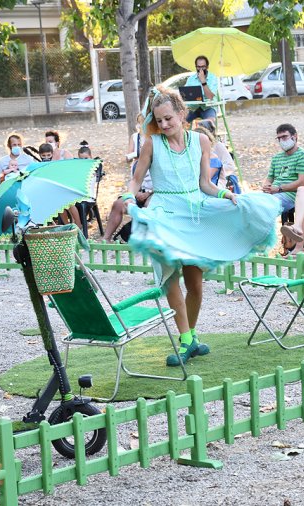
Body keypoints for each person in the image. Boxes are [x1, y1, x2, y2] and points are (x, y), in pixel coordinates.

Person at [124, 88, 280, 366]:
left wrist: (226, 195)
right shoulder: (151, 143)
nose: (164, 125)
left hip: (194, 213)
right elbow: (136, 180)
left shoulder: (200, 141)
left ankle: (192, 338)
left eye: (169, 118)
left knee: (195, 283)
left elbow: (205, 184)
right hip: (165, 213)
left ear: (182, 114)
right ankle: (185, 340)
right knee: (170, 276)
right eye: (159, 120)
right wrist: (128, 196)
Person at [102, 115, 153, 243]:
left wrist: (149, 193)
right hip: (137, 189)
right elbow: (134, 178)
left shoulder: (156, 141)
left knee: (149, 207)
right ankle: (106, 238)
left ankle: (142, 239)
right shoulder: (135, 138)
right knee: (118, 204)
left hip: (153, 192)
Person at [263, 123, 304, 213]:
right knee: (248, 203)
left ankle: (267, 226)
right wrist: (267, 186)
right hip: (273, 194)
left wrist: (279, 189)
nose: (281, 141)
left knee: (263, 207)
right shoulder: (276, 157)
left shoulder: (303, 155)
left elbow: (302, 183)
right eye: (279, 138)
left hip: (292, 196)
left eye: (284, 137)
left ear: (294, 136)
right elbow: (269, 179)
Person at [197, 119, 236, 189]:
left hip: (218, 182)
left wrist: (217, 169)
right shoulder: (196, 149)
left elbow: (231, 166)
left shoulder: (217, 146)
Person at [184, 55, 219, 124]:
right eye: (198, 67)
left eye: (203, 67)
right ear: (196, 67)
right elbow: (185, 95)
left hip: (208, 107)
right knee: (179, 121)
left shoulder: (213, 78)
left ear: (207, 67)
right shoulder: (191, 79)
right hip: (193, 108)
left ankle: (202, 131)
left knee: (209, 123)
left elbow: (210, 96)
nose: (201, 69)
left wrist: (203, 81)